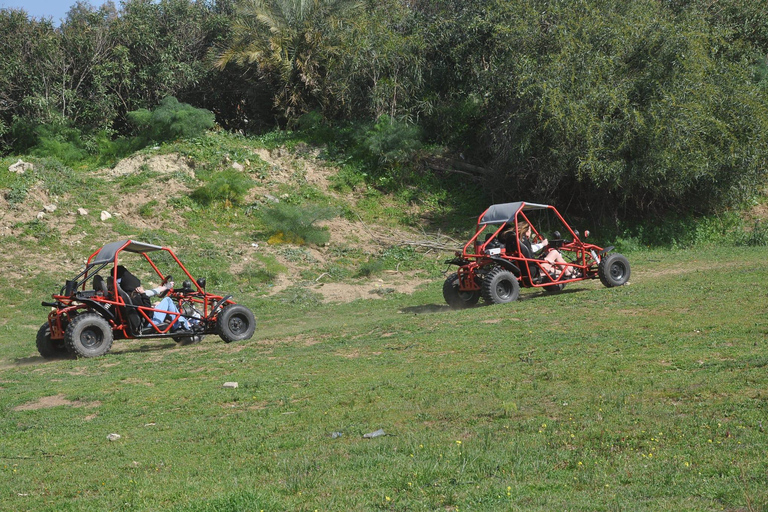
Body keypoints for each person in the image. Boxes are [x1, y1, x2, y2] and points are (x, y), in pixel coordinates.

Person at [115, 265, 193, 331]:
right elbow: (147, 312)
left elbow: (142, 309)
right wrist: (144, 295)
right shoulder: (135, 297)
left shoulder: (124, 295)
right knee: (168, 300)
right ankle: (182, 325)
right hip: (149, 322)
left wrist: (152, 305)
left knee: (160, 304)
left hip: (143, 320)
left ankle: (180, 323)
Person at [507, 221, 579, 278]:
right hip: (533, 271)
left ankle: (571, 272)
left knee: (553, 268)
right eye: (530, 230)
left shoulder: (515, 242)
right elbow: (529, 258)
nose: (530, 232)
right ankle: (569, 272)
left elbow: (528, 255)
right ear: (526, 231)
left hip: (523, 270)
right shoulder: (524, 242)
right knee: (554, 252)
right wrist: (544, 260)